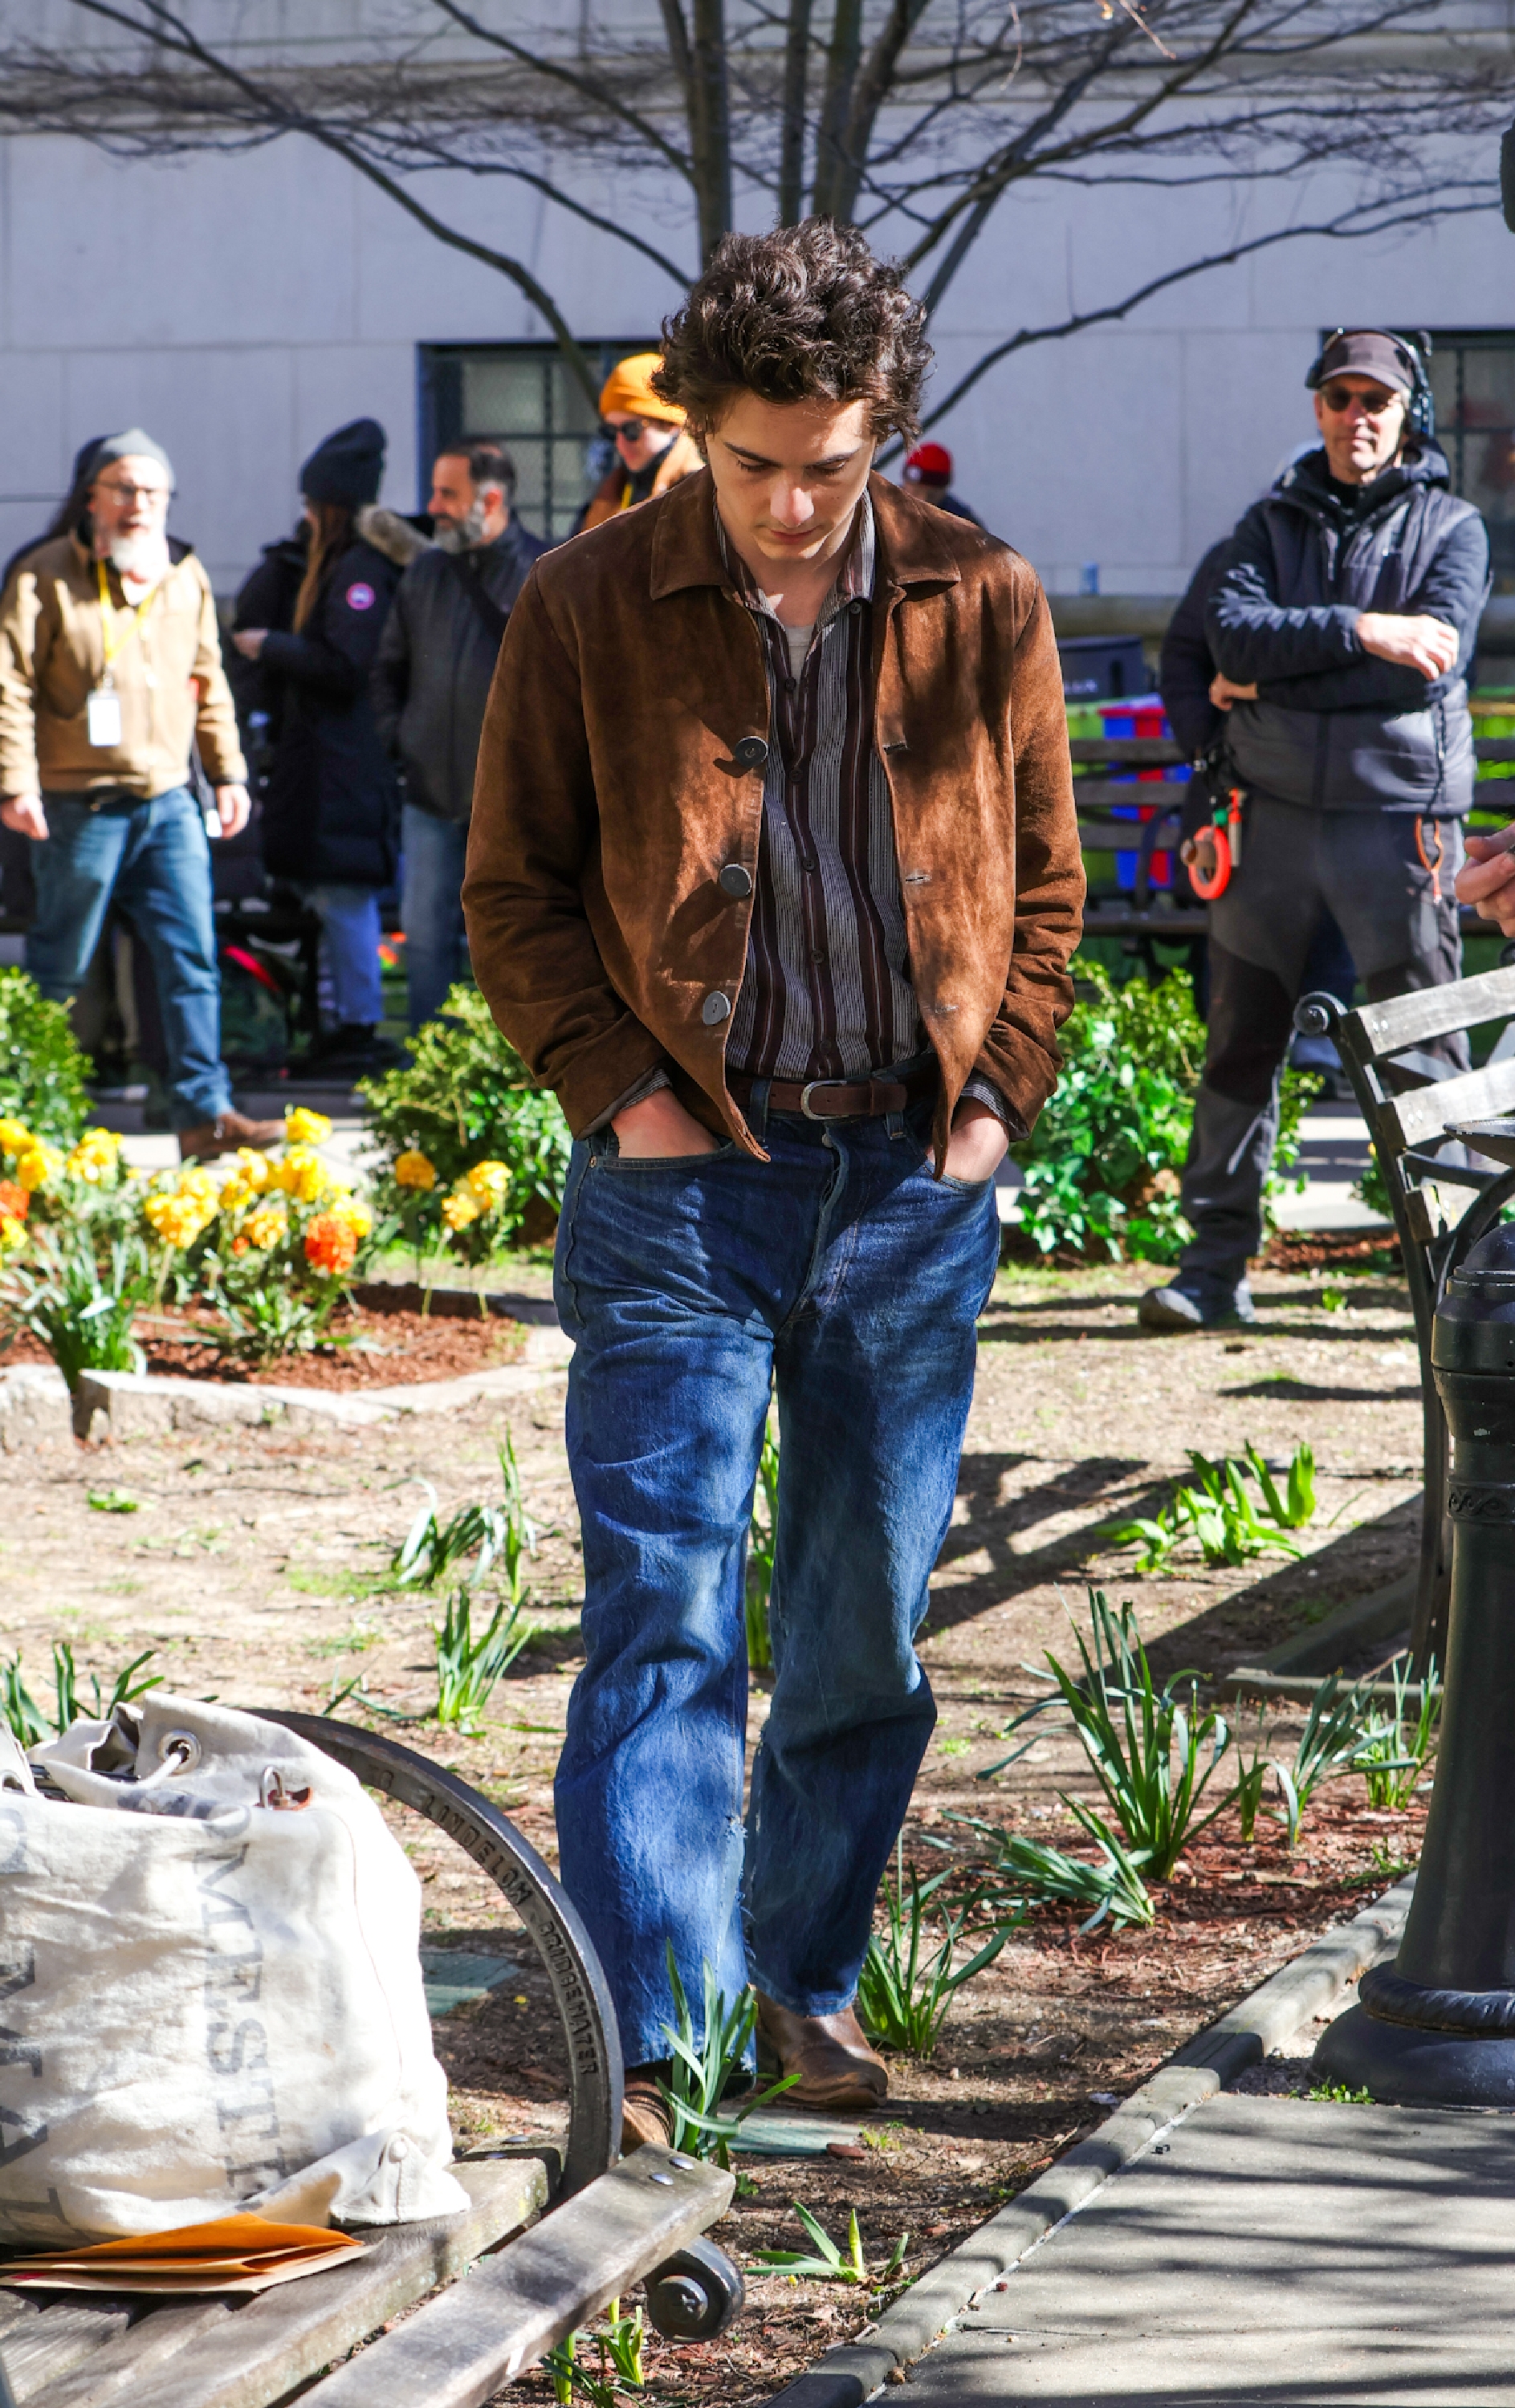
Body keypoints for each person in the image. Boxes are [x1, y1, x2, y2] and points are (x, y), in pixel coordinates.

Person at [462, 220, 1083, 2146]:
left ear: (884, 429)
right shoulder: (583, 602)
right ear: (692, 432)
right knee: (662, 1604)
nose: (798, 504)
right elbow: (512, 895)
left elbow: (1047, 893)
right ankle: (654, 2028)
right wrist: (621, 1092)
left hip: (906, 1179)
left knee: (856, 1617)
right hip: (679, 1182)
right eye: (756, 465)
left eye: (836, 462)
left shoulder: (983, 599)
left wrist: (987, 1116)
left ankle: (795, 1972)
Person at [1139, 327, 1490, 1333]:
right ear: (1319, 409)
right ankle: (1212, 1270)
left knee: (1426, 1055)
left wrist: (1272, 681)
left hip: (1401, 825)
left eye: (1375, 398)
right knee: (1240, 1046)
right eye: (1339, 397)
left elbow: (1427, 663)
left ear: (1405, 409)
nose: (1358, 416)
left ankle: (1461, 1279)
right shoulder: (1266, 526)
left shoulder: (1455, 528)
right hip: (1273, 826)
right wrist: (1363, 630)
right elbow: (1223, 636)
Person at [0, 429, 282, 1160]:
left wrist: (228, 775)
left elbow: (210, 680)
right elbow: (10, 686)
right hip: (73, 805)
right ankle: (33, 1118)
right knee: (60, 966)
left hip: (166, 804)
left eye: (153, 493)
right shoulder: (42, 574)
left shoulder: (180, 573)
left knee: (190, 959)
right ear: (90, 496)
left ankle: (204, 1115)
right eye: (124, 489)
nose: (139, 506)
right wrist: (14, 782)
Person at [234, 420, 411, 1077]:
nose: (304, 516)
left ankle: (354, 1029)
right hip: (324, 772)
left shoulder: (359, 569)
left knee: (344, 902)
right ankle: (340, 1024)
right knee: (333, 899)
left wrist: (269, 647)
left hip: (343, 771)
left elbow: (346, 665)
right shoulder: (340, 565)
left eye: (313, 504)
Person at [1159, 535, 1358, 1080]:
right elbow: (1182, 655)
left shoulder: (1355, 565)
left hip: (1331, 779)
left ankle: (1319, 1036)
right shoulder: (1236, 555)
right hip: (1236, 780)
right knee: (1234, 921)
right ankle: (1222, 1055)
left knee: (1328, 901)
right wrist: (1205, 742)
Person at [372, 438, 547, 1031]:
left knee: (505, 944)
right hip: (428, 794)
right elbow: (387, 668)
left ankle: (504, 1070)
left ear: (491, 498)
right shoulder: (425, 571)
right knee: (422, 942)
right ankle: (427, 1072)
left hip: (509, 804)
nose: (433, 505)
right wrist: (401, 740)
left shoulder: (543, 572)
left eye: (448, 493)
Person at [578, 353, 702, 531]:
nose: (620, 443)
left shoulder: (699, 495)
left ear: (670, 424)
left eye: (632, 430)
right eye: (611, 432)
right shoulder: (610, 493)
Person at [901, 440, 984, 527]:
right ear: (905, 482)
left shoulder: (964, 525)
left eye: (931, 495)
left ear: (944, 489)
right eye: (916, 492)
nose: (923, 500)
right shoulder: (886, 509)